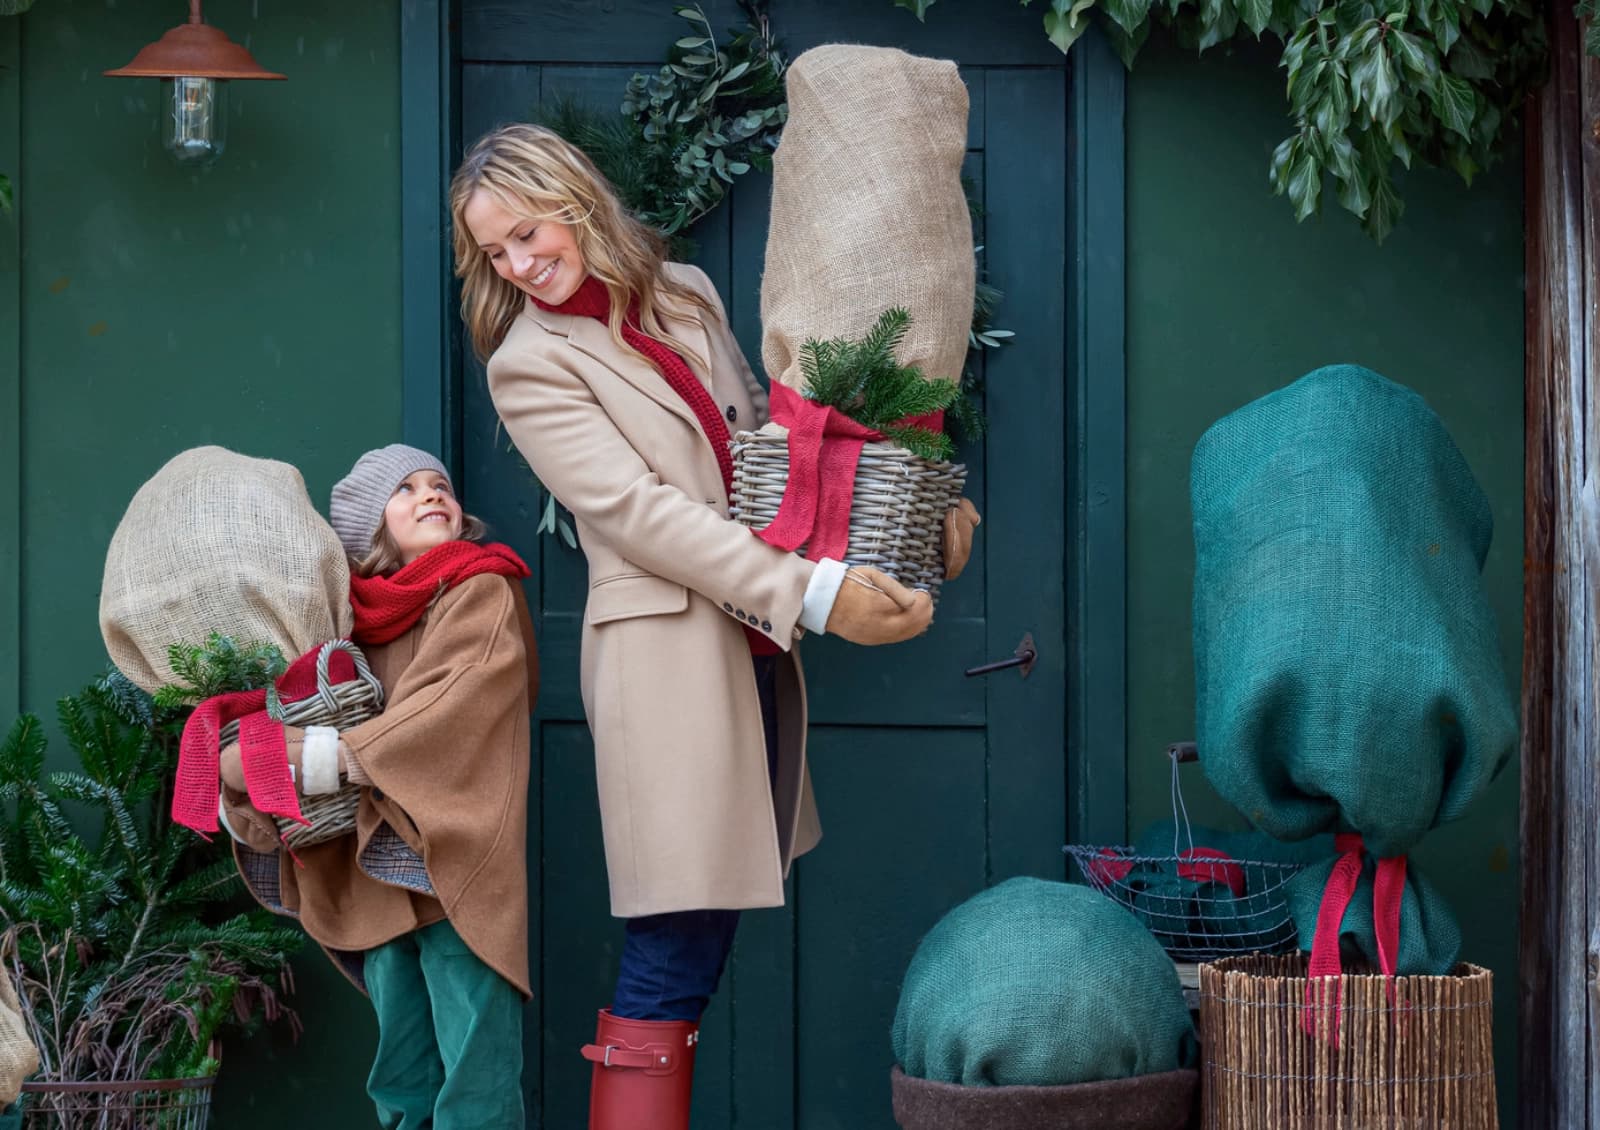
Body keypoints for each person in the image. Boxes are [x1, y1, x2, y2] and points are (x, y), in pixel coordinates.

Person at [448, 123, 979, 1129]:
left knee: (703, 929)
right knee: (675, 931)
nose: (518, 264)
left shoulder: (681, 292)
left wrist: (894, 505)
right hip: (665, 662)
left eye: (526, 232)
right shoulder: (525, 363)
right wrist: (817, 596)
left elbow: (761, 454)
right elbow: (644, 517)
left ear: (573, 200)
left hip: (750, 653)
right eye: (495, 252)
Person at [219, 444, 539, 1130]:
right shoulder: (344, 624)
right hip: (375, 873)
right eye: (407, 490)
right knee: (402, 1077)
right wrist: (246, 761)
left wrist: (301, 757)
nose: (431, 495)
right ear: (370, 528)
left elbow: (446, 708)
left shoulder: (479, 588)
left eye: (440, 485)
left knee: (475, 1078)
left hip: (454, 861)